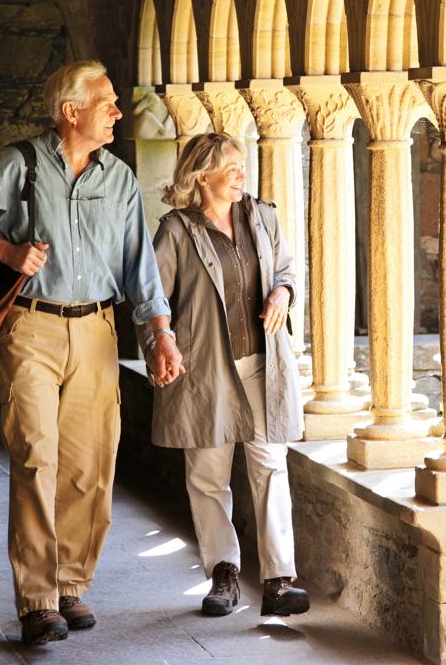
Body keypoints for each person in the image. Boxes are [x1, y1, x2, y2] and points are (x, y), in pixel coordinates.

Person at [0, 60, 184, 645]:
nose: (118, 113)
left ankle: (72, 584)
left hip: (98, 330)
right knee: (35, 456)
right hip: (31, 329)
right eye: (108, 103)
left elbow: (138, 266)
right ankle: (37, 599)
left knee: (90, 464)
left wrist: (159, 332)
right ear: (71, 111)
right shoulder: (19, 165)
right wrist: (6, 251)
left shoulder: (120, 178)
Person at [149, 132, 310, 618]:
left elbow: (286, 269)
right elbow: (153, 296)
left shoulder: (263, 216)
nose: (243, 174)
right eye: (232, 167)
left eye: (242, 165)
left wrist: (283, 292)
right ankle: (224, 574)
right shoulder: (176, 230)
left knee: (270, 465)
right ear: (203, 176)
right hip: (206, 368)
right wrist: (162, 342)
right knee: (207, 474)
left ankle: (279, 580)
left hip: (263, 364)